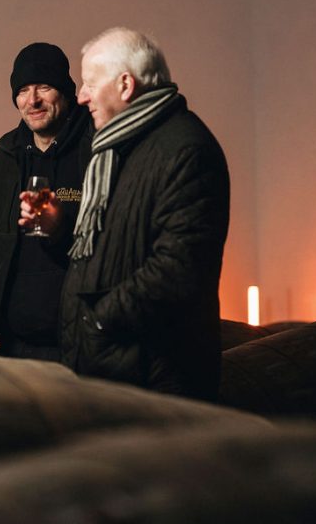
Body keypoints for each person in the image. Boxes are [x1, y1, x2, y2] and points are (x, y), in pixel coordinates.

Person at [22, 28, 230, 399]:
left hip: (154, 382)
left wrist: (96, 320)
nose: (82, 96)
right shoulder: (118, 148)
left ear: (124, 85)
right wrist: (59, 226)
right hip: (114, 371)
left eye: (89, 84)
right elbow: (113, 251)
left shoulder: (186, 150)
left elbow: (177, 272)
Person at [0, 43, 93, 360]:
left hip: (80, 344)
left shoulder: (97, 153)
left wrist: (61, 227)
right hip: (14, 345)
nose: (33, 100)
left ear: (66, 92)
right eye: (23, 90)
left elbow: (117, 243)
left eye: (44, 86)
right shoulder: (1, 163)